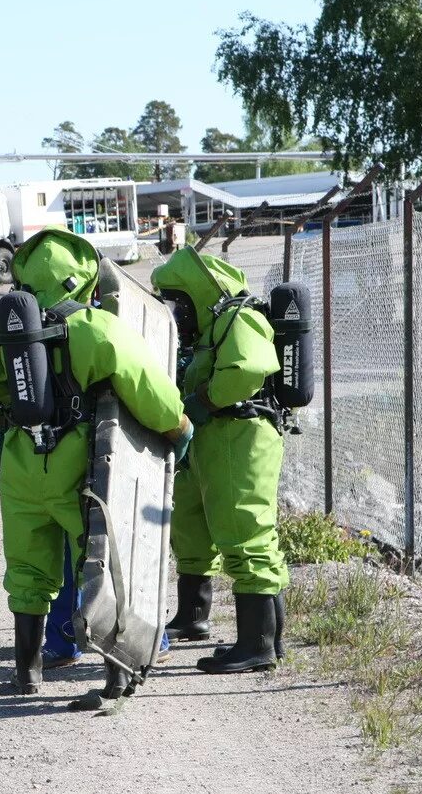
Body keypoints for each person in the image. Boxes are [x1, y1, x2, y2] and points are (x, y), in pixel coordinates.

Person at [0, 227, 191, 695]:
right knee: (103, 563)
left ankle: (27, 672)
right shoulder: (95, 326)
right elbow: (151, 392)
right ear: (78, 276)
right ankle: (115, 674)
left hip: (24, 460)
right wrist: (180, 429)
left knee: (26, 570)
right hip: (82, 463)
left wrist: (15, 396)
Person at [151, 247, 289, 674]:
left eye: (180, 302)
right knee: (194, 526)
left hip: (241, 435)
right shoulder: (213, 327)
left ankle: (258, 643)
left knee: (244, 532)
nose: (178, 313)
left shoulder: (237, 318)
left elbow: (248, 369)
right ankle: (196, 617)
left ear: (199, 296)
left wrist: (207, 398)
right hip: (217, 437)